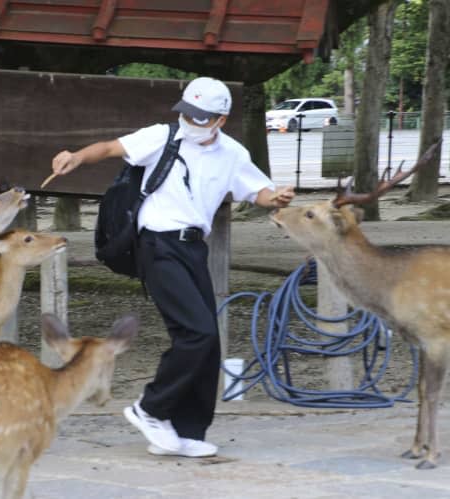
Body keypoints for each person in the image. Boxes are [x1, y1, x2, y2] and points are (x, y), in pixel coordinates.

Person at [51, 77, 294, 458]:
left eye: (201, 118)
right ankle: (149, 408)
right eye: (188, 114)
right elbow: (111, 147)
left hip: (194, 248)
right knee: (195, 332)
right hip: (156, 245)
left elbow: (256, 190)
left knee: (208, 339)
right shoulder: (161, 137)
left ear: (221, 119)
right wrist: (77, 156)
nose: (192, 122)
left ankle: (188, 431)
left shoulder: (232, 153)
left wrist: (274, 196)